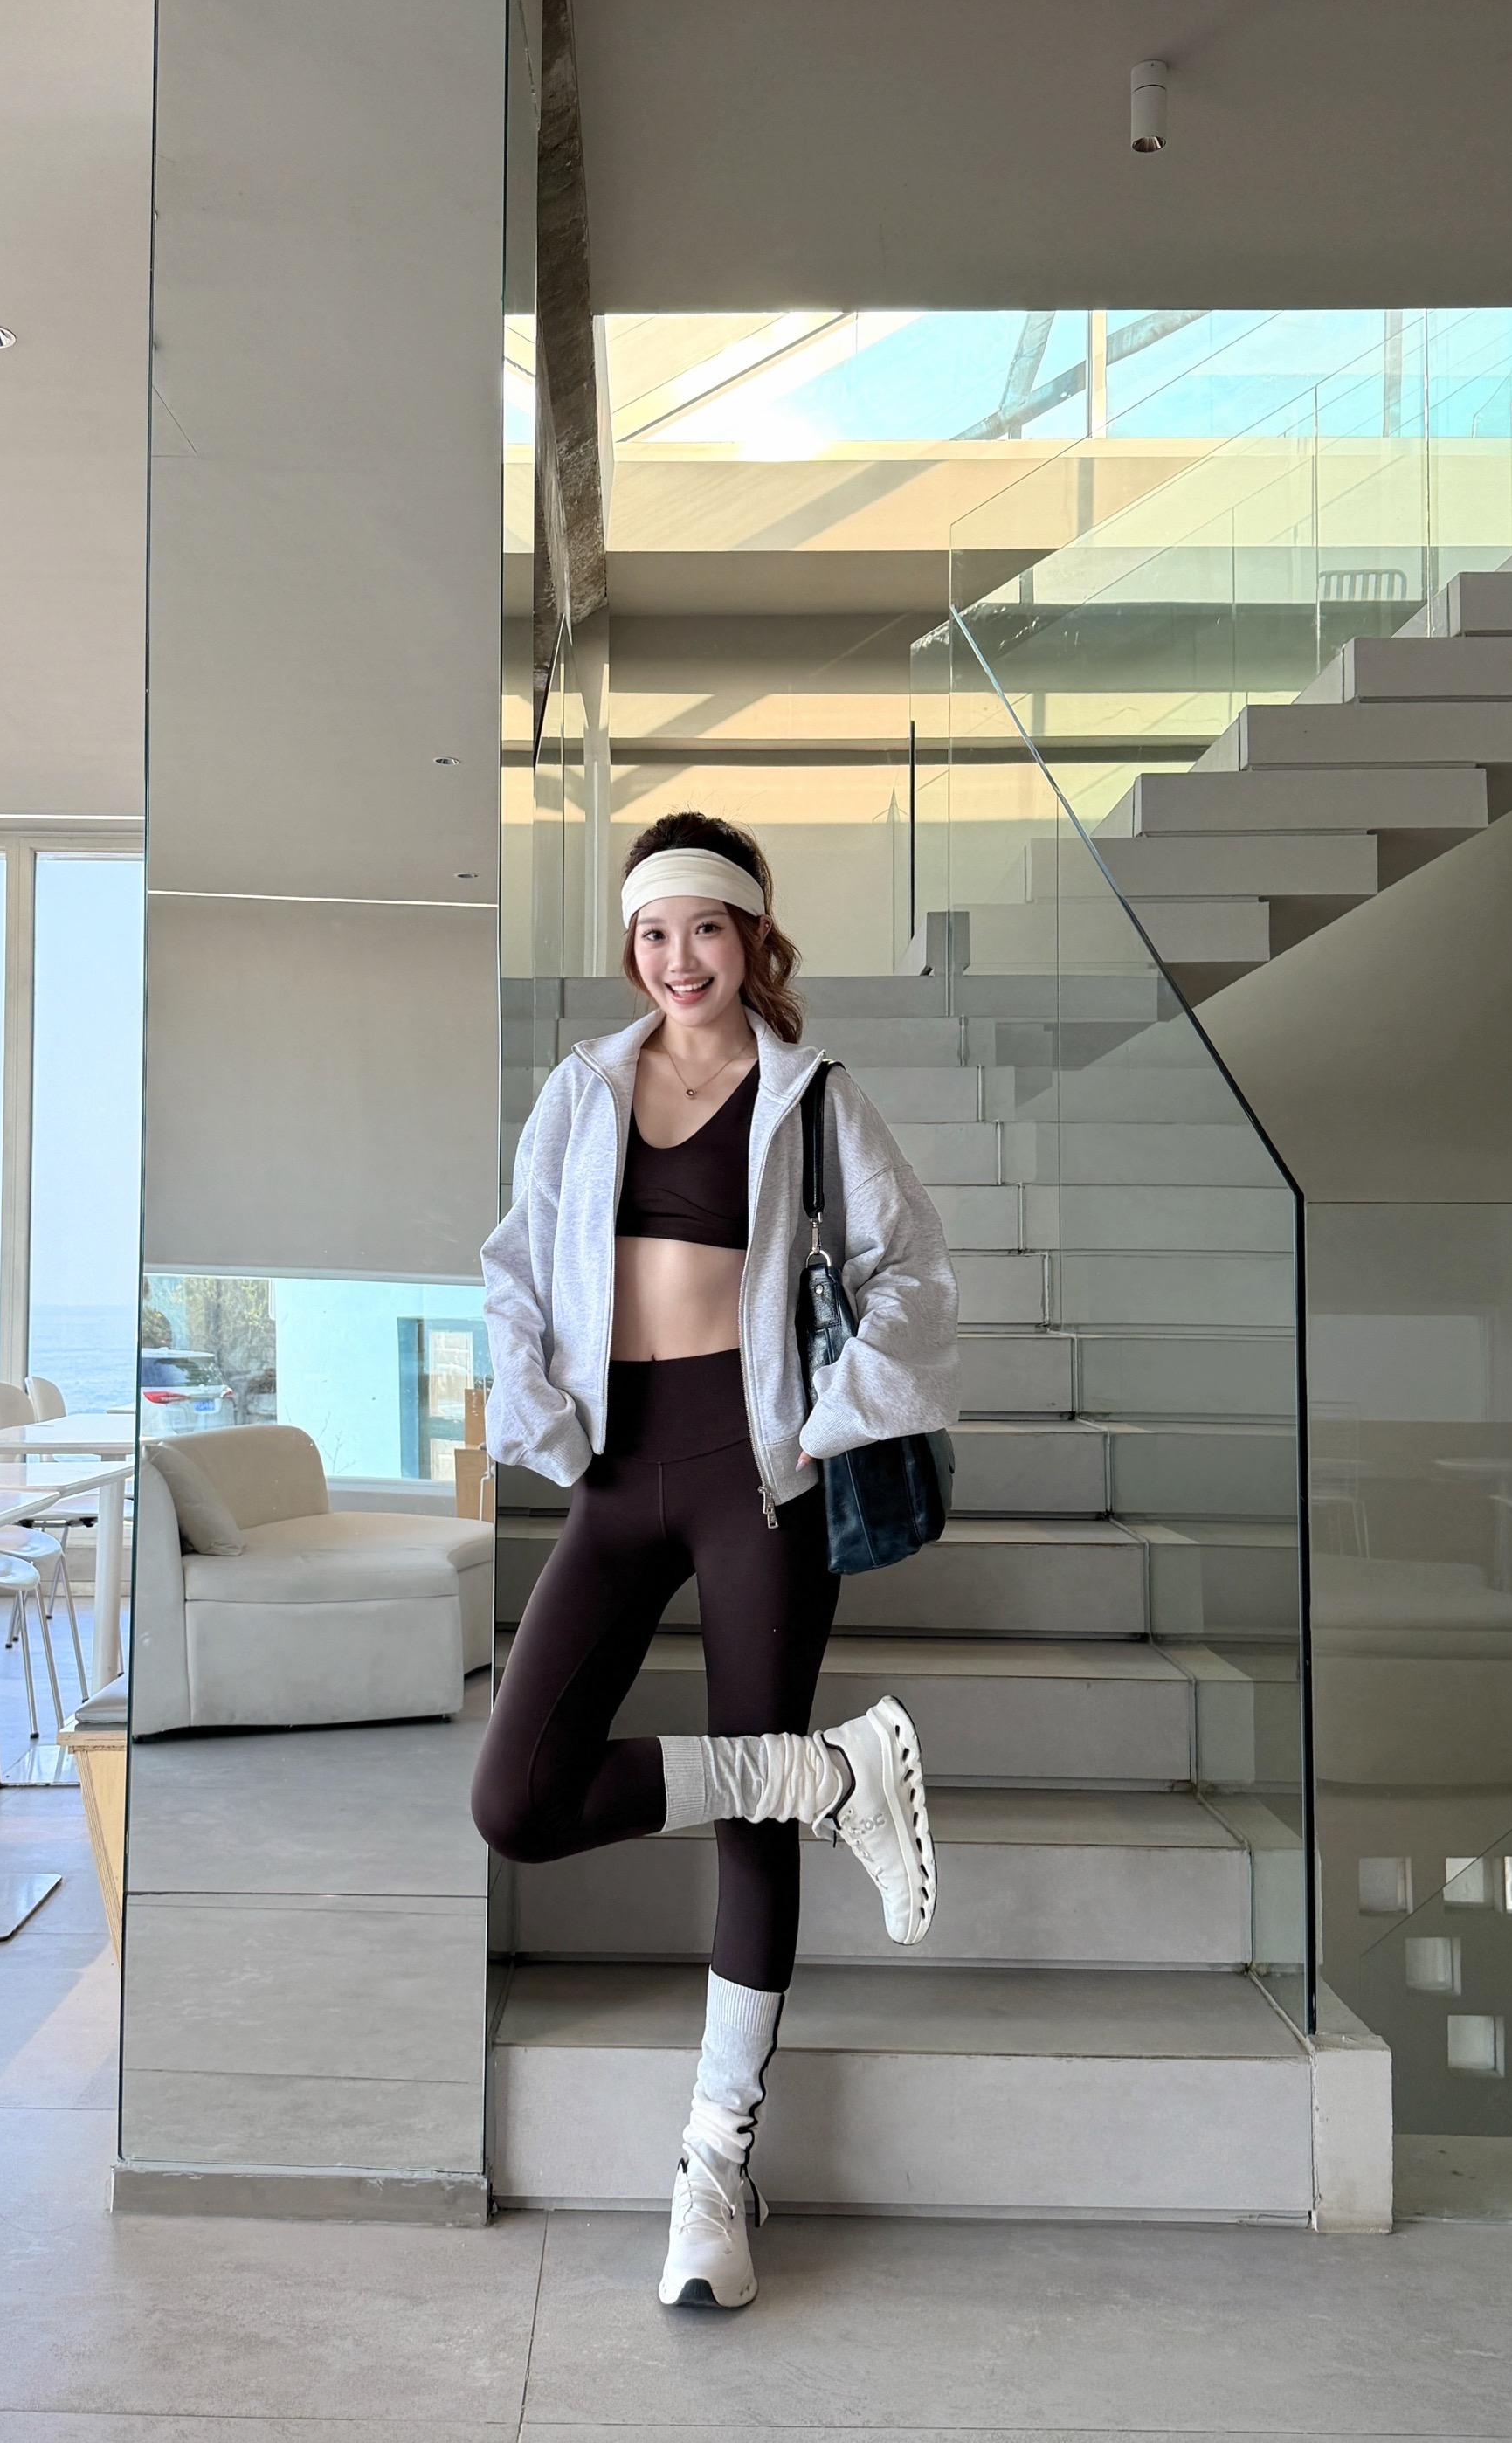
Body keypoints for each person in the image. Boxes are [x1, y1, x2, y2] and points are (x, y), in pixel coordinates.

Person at [472, 810, 960, 2309]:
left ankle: (712, 2172)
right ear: (631, 945)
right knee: (518, 1799)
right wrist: (541, 1415)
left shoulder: (813, 1096)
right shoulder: (582, 1088)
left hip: (760, 1483)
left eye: (705, 927)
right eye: (653, 932)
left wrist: (823, 1421)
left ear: (752, 937)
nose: (678, 958)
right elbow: (515, 1266)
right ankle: (831, 1775)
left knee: (750, 1836)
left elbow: (911, 1271)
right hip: (619, 1474)